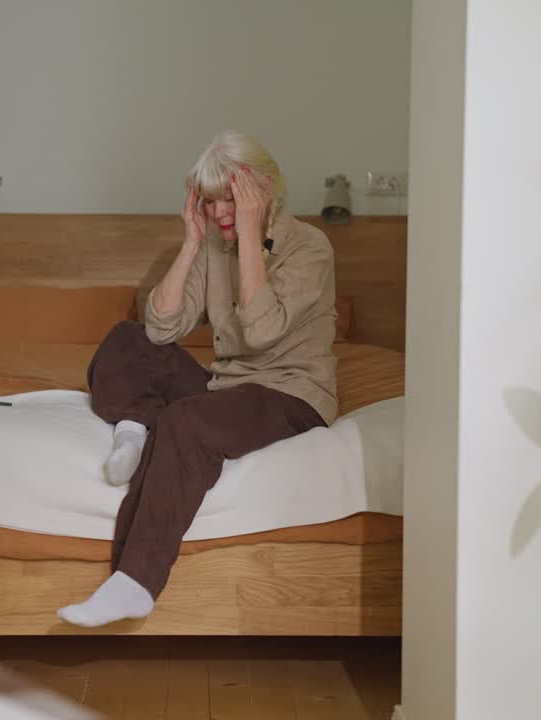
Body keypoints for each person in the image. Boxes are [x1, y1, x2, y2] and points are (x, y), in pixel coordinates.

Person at [57, 130, 339, 628]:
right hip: (225, 389)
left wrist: (249, 233)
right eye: (211, 202)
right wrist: (191, 243)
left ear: (264, 189)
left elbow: (262, 328)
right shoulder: (212, 244)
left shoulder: (310, 248)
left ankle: (136, 582)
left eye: (232, 198)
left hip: (290, 394)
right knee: (129, 339)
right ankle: (135, 428)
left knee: (188, 422)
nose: (222, 213)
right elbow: (162, 326)